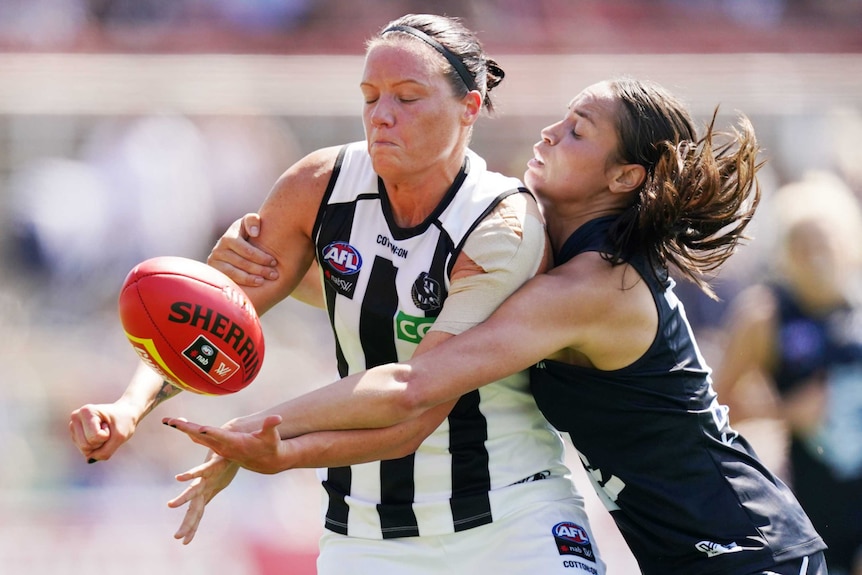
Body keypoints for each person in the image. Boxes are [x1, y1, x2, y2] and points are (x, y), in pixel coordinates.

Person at [168, 77, 828, 575]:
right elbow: (403, 308)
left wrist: (253, 433)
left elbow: (413, 382)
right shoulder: (552, 269)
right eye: (561, 118)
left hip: (748, 550)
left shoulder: (593, 286)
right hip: (700, 550)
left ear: (624, 175)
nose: (549, 133)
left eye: (578, 131)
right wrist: (268, 271)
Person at [68, 13, 606, 575]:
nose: (382, 116)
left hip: (511, 513)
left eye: (408, 97)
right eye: (370, 97)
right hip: (367, 531)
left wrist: (259, 440)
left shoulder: (501, 223)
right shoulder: (319, 185)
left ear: (469, 108)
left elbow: (411, 401)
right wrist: (127, 408)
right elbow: (205, 318)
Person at [715, 170, 862, 575]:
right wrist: (785, 410)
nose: (816, 255)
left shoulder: (857, 306)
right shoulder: (766, 313)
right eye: (803, 243)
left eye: (825, 241)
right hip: (813, 505)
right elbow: (709, 411)